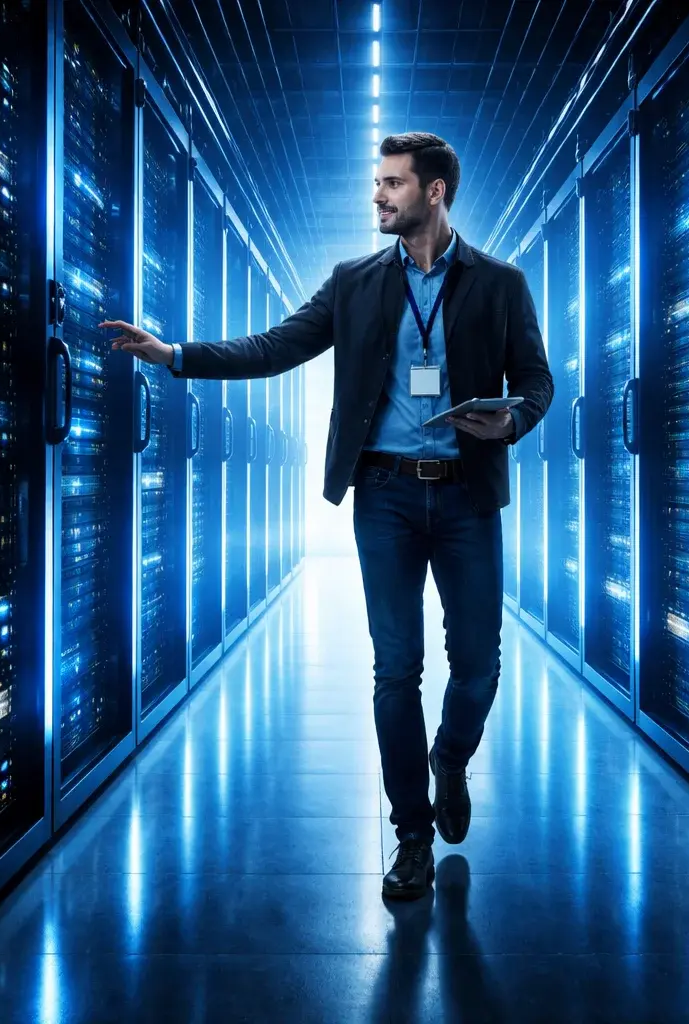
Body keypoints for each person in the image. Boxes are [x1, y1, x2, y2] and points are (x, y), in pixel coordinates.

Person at [101, 132, 553, 901]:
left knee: (478, 664)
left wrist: (508, 423)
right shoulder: (353, 282)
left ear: (435, 192)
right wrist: (175, 354)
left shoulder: (500, 285)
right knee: (395, 667)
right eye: (376, 184)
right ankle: (411, 835)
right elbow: (275, 346)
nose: (378, 196)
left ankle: (449, 756)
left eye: (392, 183)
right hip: (384, 496)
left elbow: (536, 383)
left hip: (468, 493)